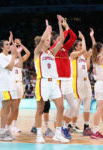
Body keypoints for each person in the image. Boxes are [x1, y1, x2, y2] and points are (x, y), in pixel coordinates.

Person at [34, 15, 69, 143]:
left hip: (53, 82)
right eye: (48, 40)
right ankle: (38, 134)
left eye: (49, 40)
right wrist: (46, 30)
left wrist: (59, 24)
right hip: (42, 82)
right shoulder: (37, 53)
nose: (49, 42)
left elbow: (61, 41)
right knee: (40, 109)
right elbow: (42, 39)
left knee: (61, 107)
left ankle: (58, 134)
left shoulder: (51, 53)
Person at [51, 16, 77, 140]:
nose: (62, 39)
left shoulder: (65, 49)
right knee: (59, 108)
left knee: (74, 106)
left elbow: (74, 38)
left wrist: (67, 27)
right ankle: (56, 131)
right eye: (59, 38)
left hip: (68, 81)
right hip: (59, 81)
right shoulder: (52, 50)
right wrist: (62, 27)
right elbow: (63, 38)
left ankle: (65, 127)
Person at [69, 31, 92, 136]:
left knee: (88, 102)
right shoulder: (73, 55)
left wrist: (89, 57)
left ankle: (86, 126)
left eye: (82, 45)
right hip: (77, 81)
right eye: (80, 45)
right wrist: (83, 38)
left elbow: (87, 67)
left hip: (85, 81)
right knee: (76, 105)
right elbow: (84, 50)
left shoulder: (82, 56)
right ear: (75, 47)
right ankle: (71, 125)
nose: (82, 47)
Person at [0, 38, 19, 141]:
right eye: (6, 44)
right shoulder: (0, 56)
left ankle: (6, 129)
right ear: (1, 47)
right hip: (4, 86)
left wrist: (13, 42)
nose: (8, 46)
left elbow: (15, 54)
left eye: (8, 44)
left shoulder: (9, 56)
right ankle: (1, 133)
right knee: (6, 109)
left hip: (11, 85)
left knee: (14, 108)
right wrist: (13, 56)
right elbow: (9, 67)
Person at [10, 37, 30, 133]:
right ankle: (1, 125)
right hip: (11, 84)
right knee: (8, 105)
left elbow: (29, 53)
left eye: (18, 45)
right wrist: (13, 43)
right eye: (15, 45)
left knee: (16, 106)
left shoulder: (21, 59)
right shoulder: (9, 58)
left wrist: (21, 44)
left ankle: (14, 125)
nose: (17, 46)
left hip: (19, 84)